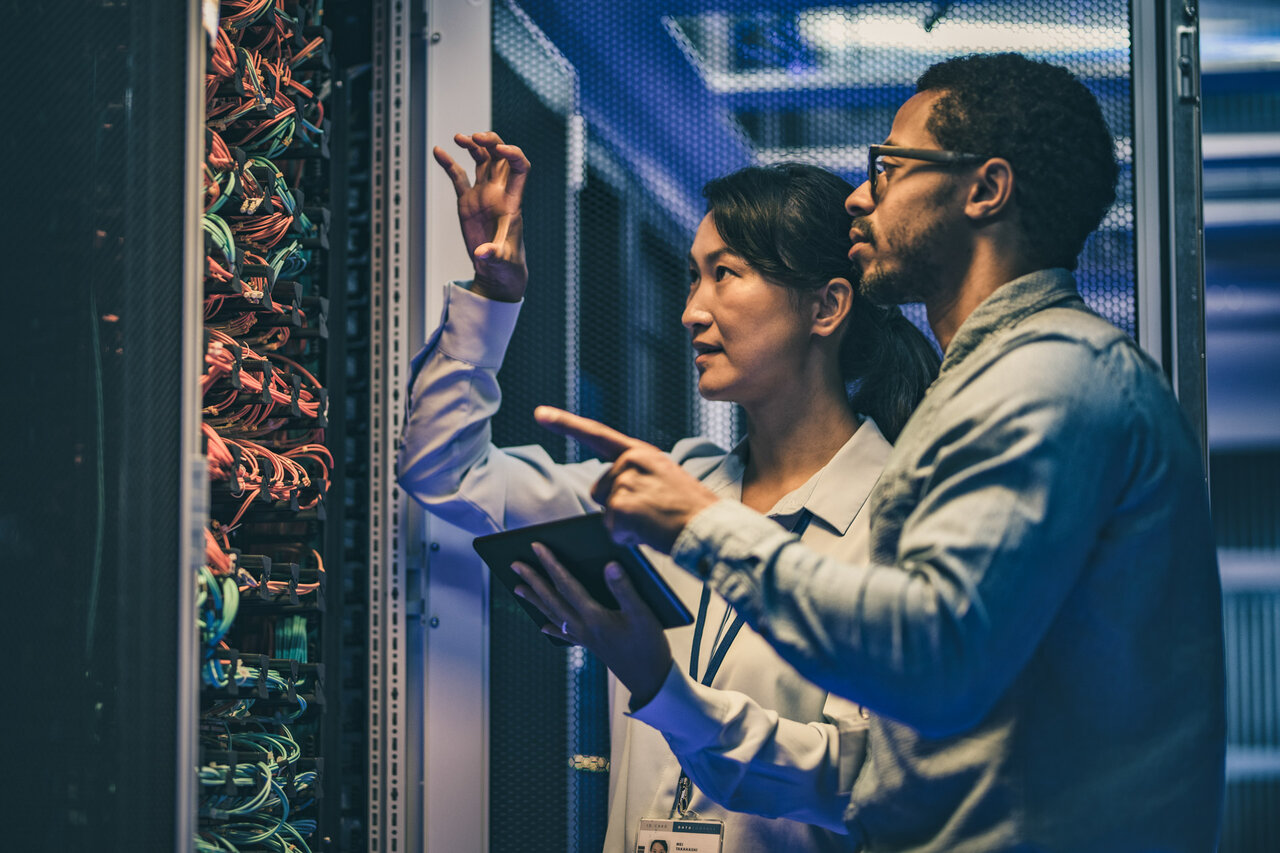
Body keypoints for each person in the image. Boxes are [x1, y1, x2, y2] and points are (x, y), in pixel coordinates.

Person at [531, 52, 1227, 851]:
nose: (861, 196)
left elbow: (931, 651)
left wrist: (701, 524)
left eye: (890, 168)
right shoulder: (986, 389)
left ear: (985, 189)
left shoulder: (1051, 375)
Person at [397, 132, 939, 852]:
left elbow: (851, 779)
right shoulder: (674, 488)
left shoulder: (898, 521)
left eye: (726, 273)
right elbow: (445, 471)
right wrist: (492, 299)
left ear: (826, 306)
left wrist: (660, 682)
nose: (691, 309)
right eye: (692, 276)